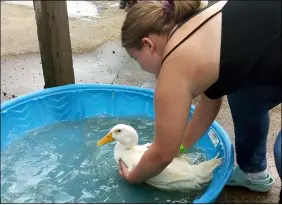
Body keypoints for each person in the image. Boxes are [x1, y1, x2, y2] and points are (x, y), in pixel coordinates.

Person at [118, 0, 281, 202]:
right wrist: (181, 147)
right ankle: (253, 173)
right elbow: (209, 104)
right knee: (242, 93)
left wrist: (133, 177)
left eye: (136, 59)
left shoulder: (175, 66)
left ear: (148, 44)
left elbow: (161, 155)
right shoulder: (191, 25)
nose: (141, 67)